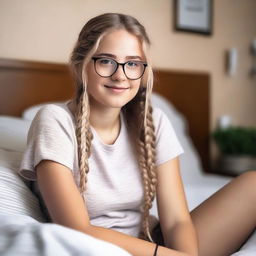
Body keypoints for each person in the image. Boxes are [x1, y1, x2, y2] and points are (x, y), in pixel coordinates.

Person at [19, 13, 256, 256]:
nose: (120, 75)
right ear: (81, 63)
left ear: (143, 71)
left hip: (154, 242)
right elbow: (76, 228)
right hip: (96, 247)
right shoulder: (54, 119)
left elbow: (176, 221)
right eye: (106, 61)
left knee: (253, 184)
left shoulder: (154, 122)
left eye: (132, 63)